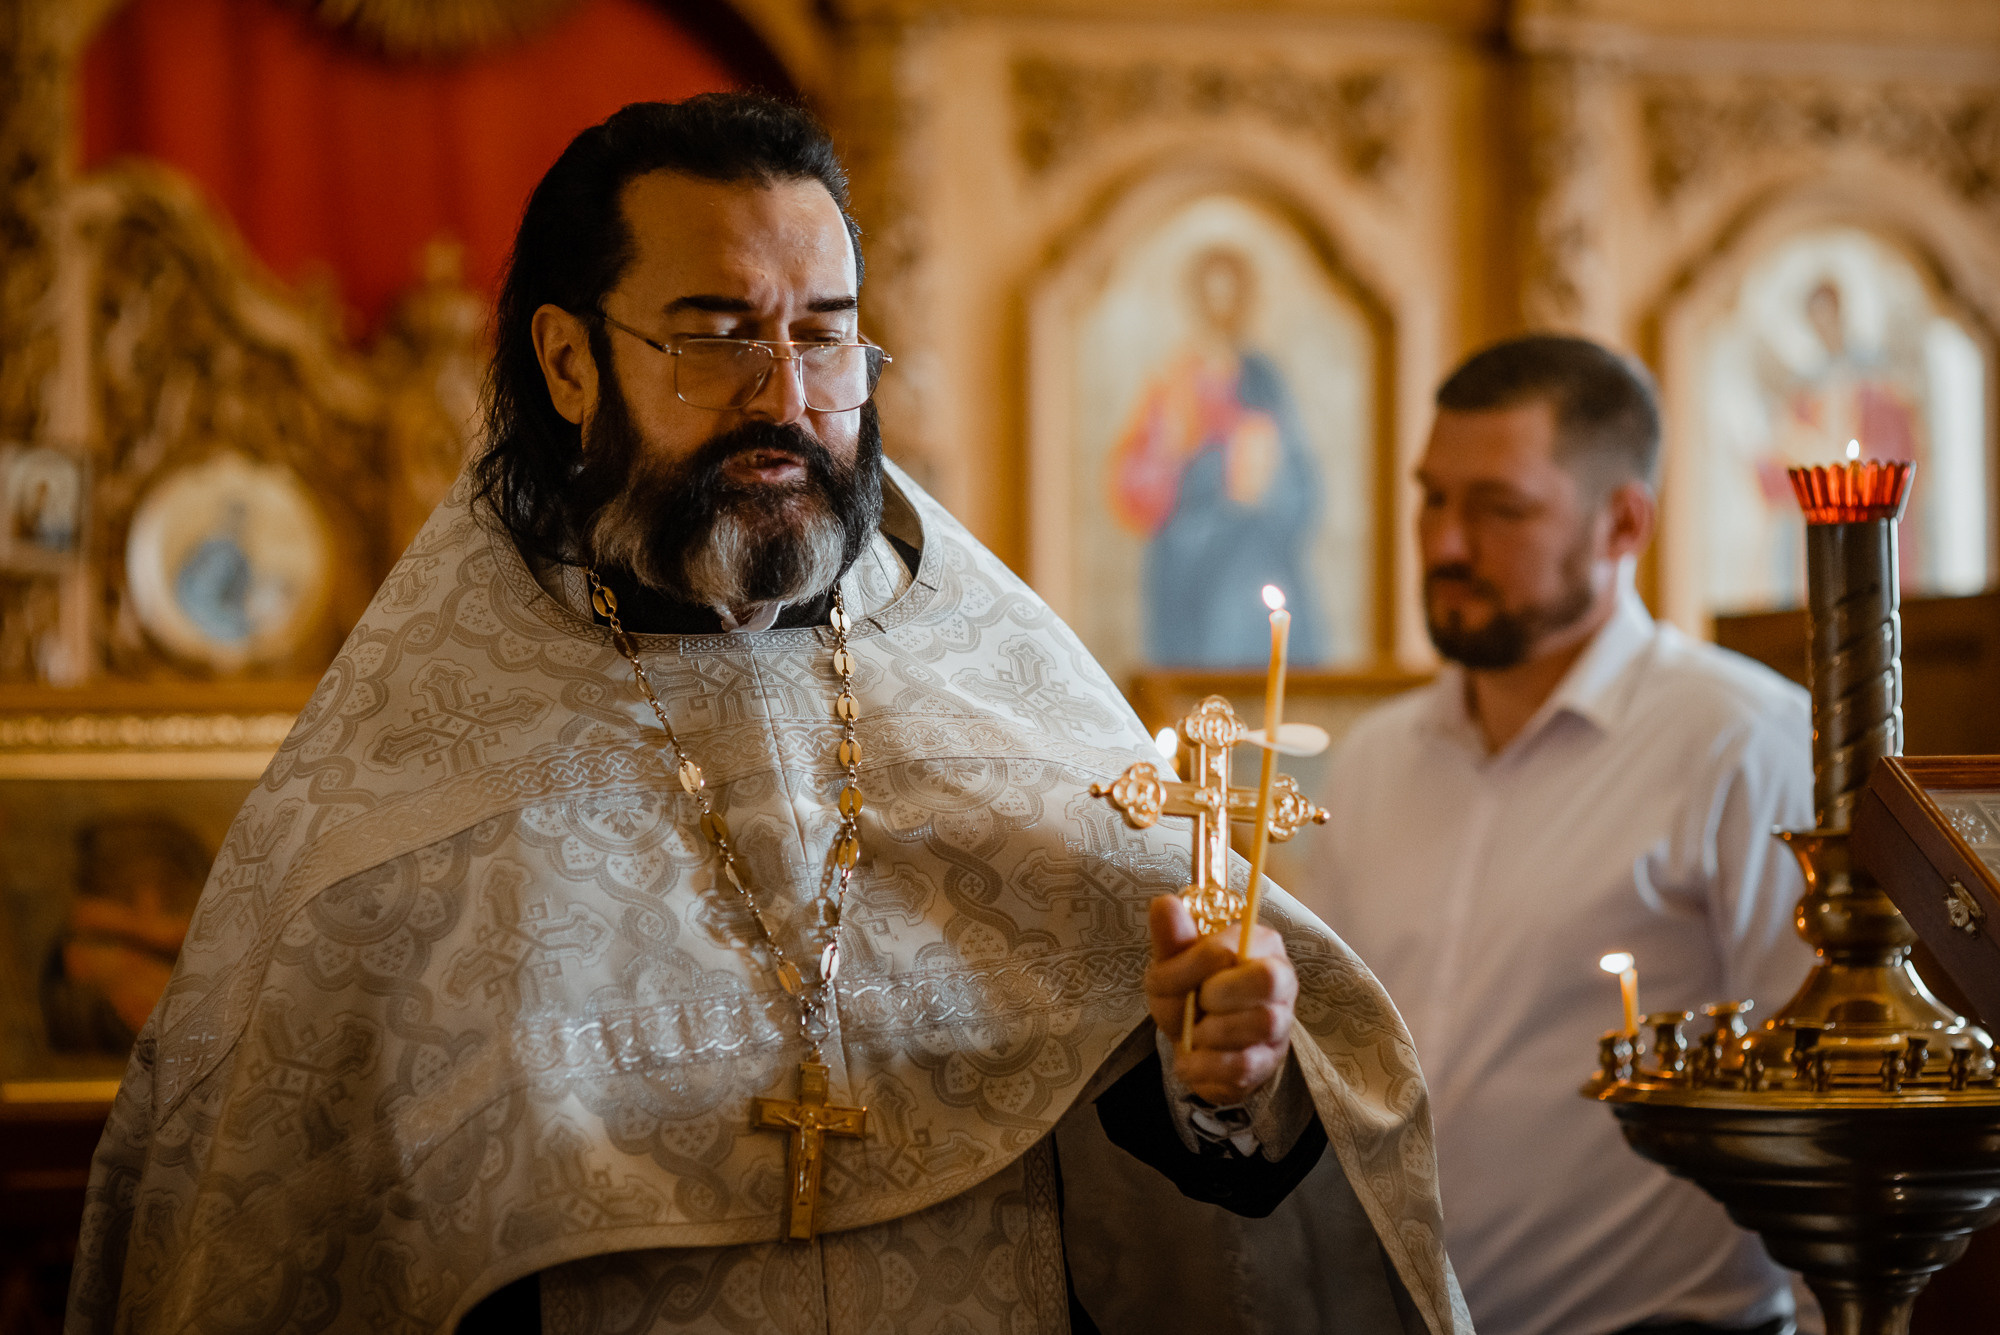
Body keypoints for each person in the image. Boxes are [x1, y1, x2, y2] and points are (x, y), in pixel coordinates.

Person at [71, 96, 1468, 1335]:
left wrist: (1220, 1086)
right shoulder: (418, 765)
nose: (785, 397)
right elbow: (304, 1227)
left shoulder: (1003, 698)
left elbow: (1168, 1179)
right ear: (568, 365)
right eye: (719, 336)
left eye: (824, 338)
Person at [1297, 334, 1815, 1335]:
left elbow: (1815, 1105)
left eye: (1498, 508)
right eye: (1431, 499)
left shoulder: (1743, 746)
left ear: (1622, 522)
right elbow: (1333, 1058)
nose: (1445, 544)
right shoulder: (1371, 761)